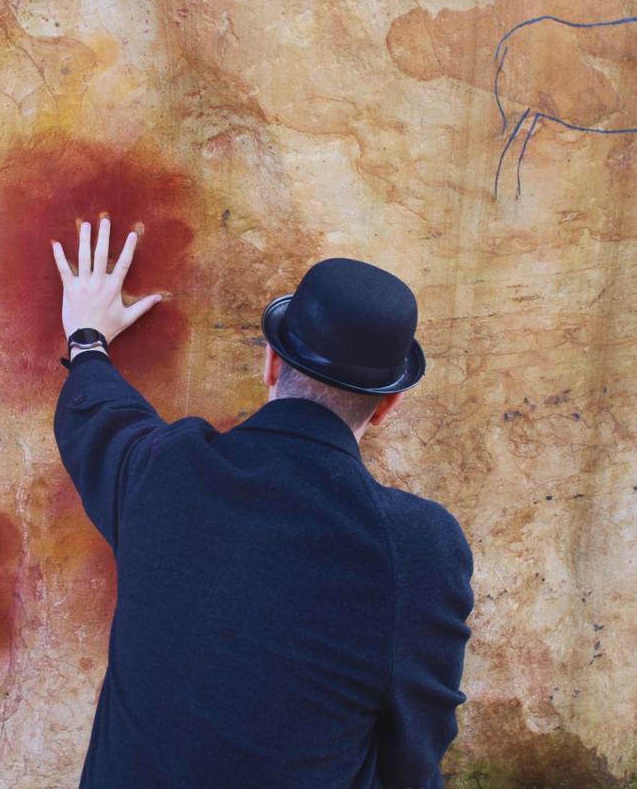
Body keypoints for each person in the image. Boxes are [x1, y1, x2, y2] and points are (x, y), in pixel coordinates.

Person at [50, 214, 474, 789]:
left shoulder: (166, 470)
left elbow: (98, 417)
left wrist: (86, 339)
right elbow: (414, 755)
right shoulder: (418, 545)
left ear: (271, 364)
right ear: (388, 405)